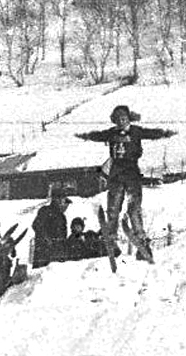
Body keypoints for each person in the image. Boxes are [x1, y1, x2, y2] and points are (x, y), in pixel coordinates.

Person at [75, 105, 175, 262]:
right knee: (113, 208)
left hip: (132, 174)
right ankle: (111, 239)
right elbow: (99, 135)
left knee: (134, 209)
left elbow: (150, 133)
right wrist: (86, 136)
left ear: (129, 119)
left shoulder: (136, 131)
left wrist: (164, 133)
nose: (121, 122)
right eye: (118, 120)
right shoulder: (112, 133)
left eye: (124, 119)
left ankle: (141, 241)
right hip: (116, 175)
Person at [31, 187, 71, 268]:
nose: (63, 202)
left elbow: (63, 235)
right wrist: (47, 239)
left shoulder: (62, 216)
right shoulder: (45, 211)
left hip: (57, 252)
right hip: (44, 252)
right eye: (62, 199)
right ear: (56, 199)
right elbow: (36, 225)